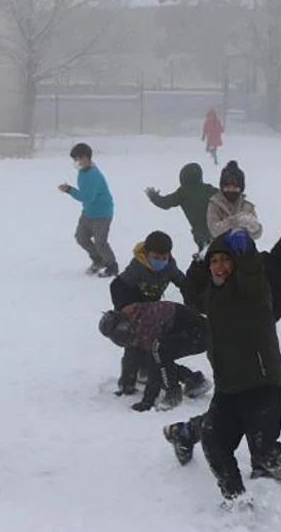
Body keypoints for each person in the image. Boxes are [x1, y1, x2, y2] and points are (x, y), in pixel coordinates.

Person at [161, 231, 281, 509]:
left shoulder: (251, 287)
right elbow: (191, 295)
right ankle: (236, 499)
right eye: (215, 262)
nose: (220, 266)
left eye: (226, 260)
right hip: (228, 386)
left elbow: (253, 272)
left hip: (262, 384)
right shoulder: (211, 296)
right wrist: (199, 261)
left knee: (265, 453)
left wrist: (245, 249)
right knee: (213, 443)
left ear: (236, 264)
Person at [108, 231, 188, 396]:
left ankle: (146, 372)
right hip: (135, 312)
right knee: (133, 347)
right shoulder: (138, 268)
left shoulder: (169, 267)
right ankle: (127, 383)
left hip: (153, 314)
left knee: (152, 347)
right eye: (156, 258)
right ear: (147, 254)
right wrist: (124, 307)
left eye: (163, 258)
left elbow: (184, 283)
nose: (160, 262)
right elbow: (116, 286)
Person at [99, 301, 211, 412]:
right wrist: (126, 384)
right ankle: (194, 380)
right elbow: (131, 354)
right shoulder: (133, 321)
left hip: (201, 335)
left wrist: (148, 401)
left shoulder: (147, 322)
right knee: (151, 354)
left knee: (158, 352)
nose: (121, 336)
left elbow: (154, 365)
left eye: (120, 332)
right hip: (185, 332)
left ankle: (173, 393)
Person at [59, 142, 117, 277]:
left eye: (78, 159)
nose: (76, 162)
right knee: (81, 237)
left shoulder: (93, 175)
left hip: (102, 214)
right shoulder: (83, 172)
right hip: (88, 213)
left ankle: (112, 266)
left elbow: (87, 197)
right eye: (74, 160)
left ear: (86, 158)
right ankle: (98, 260)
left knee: (100, 241)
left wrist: (69, 190)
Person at [145, 163, 218, 253]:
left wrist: (154, 197)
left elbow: (166, 203)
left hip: (201, 236)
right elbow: (227, 197)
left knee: (206, 257)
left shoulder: (183, 192)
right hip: (218, 232)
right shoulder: (209, 189)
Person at [206, 161, 262, 241]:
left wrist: (255, 228)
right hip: (219, 247)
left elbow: (256, 235)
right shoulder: (215, 204)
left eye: (235, 187)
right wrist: (234, 221)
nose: (231, 190)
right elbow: (214, 231)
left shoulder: (247, 206)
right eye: (227, 187)